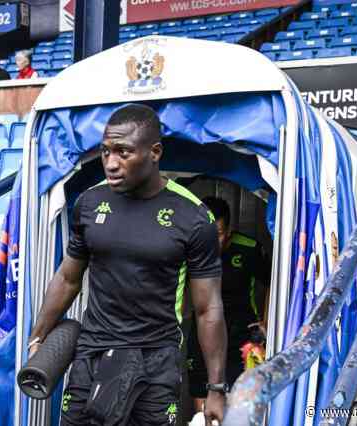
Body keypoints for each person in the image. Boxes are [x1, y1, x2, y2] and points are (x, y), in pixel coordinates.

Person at [28, 104, 228, 426]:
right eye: (106, 151)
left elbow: (208, 309)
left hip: (156, 361)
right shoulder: (90, 203)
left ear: (155, 152)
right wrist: (37, 338)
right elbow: (67, 278)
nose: (111, 163)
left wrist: (216, 387)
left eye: (123, 152)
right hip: (92, 355)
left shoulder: (193, 216)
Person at [186, 196, 269, 415]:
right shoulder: (190, 247)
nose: (213, 241)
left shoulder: (249, 249)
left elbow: (273, 280)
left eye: (219, 234)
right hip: (203, 332)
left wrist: (266, 322)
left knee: (236, 404)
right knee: (202, 406)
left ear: (229, 230)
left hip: (241, 337)